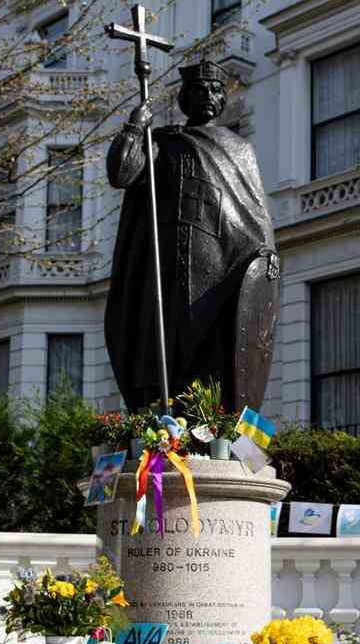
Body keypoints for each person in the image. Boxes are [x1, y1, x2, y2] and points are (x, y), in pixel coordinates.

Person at [104, 59, 280, 413]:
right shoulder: (165, 142)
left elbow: (254, 212)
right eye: (200, 89)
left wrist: (267, 258)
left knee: (211, 353)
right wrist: (135, 128)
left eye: (217, 90)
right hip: (167, 269)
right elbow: (122, 173)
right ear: (184, 96)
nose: (210, 96)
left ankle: (209, 424)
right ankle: (160, 424)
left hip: (219, 270)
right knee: (161, 352)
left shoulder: (240, 150)